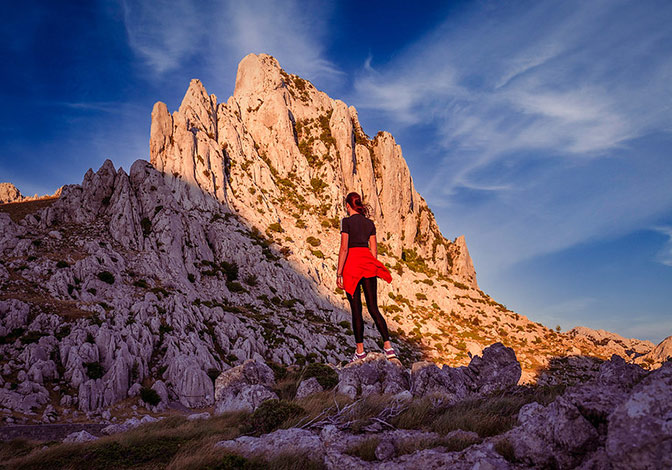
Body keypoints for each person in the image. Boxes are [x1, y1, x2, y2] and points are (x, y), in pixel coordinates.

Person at [336, 191, 395, 363]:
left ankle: (360, 351)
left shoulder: (346, 222)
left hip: (351, 268)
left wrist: (339, 273)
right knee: (373, 308)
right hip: (368, 265)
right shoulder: (369, 224)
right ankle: (388, 347)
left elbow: (344, 248)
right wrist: (370, 264)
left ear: (348, 205)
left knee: (356, 311)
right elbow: (374, 251)